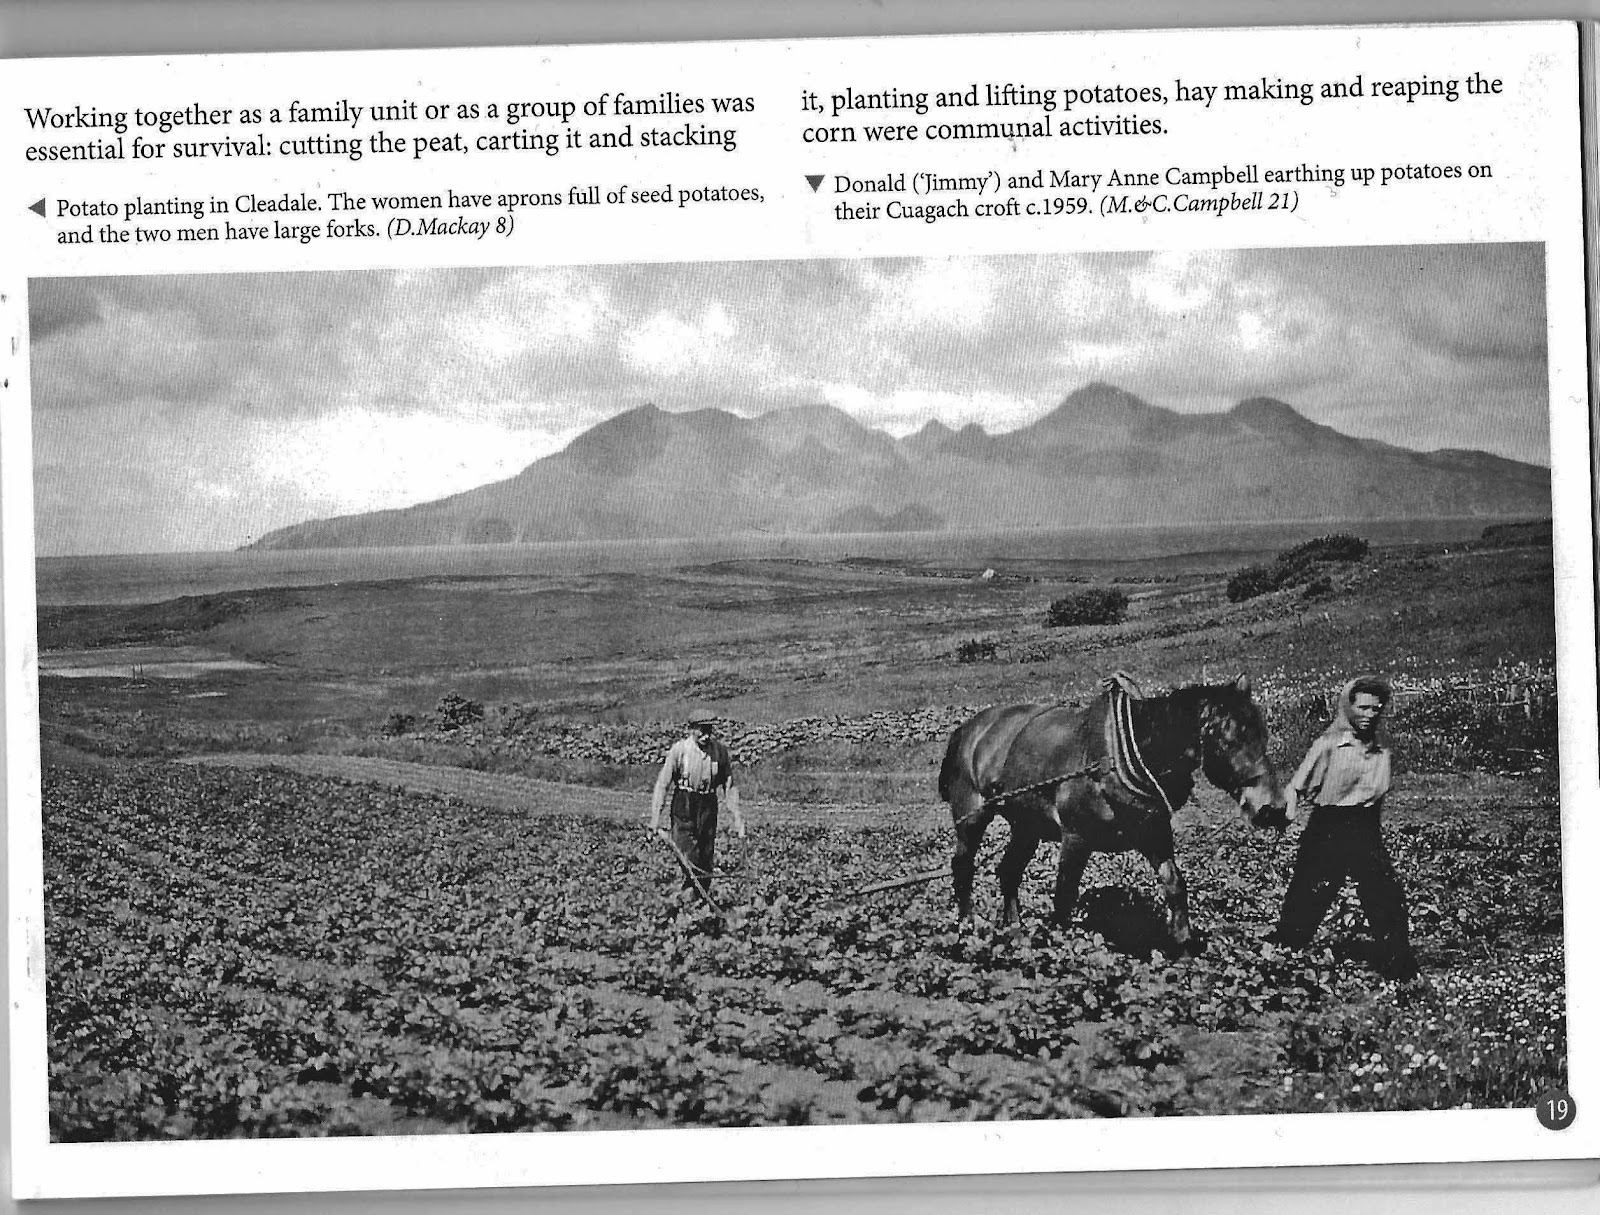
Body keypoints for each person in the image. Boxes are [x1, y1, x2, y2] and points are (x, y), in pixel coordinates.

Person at [1267, 676, 1419, 981]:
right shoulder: (1329, 745)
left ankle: (1399, 965)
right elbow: (1297, 787)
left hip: (1366, 828)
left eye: (1375, 709)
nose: (1369, 714)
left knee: (1384, 893)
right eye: (1362, 707)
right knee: (1309, 892)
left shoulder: (1382, 750)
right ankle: (1282, 957)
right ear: (1348, 707)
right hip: (1329, 827)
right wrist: (1288, 813)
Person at [649, 710, 744, 895]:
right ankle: (687, 900)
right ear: (691, 729)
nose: (706, 735)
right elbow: (662, 784)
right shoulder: (680, 750)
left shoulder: (720, 751)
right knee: (689, 857)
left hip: (708, 805)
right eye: (701, 730)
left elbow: (729, 786)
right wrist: (655, 818)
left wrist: (737, 817)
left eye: (709, 729)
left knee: (705, 858)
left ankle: (702, 903)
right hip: (684, 803)